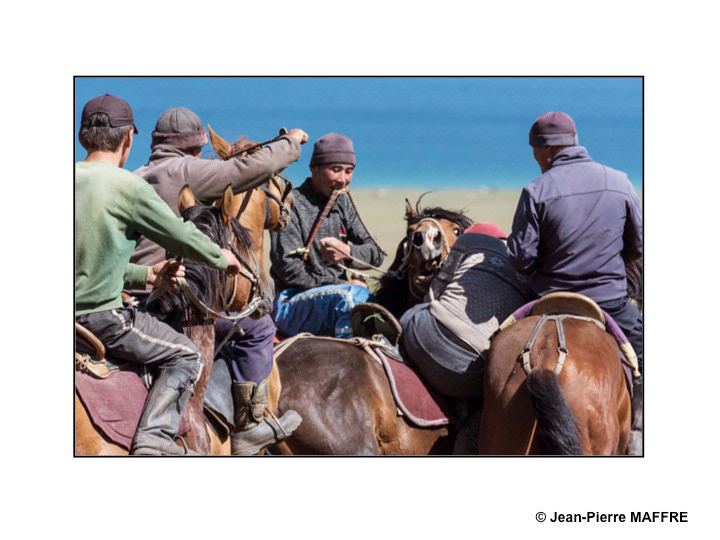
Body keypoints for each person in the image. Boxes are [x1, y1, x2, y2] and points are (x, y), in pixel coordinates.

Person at [129, 106, 307, 455]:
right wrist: (291, 143)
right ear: (197, 148)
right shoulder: (185, 170)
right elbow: (245, 171)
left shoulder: (137, 175)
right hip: (163, 301)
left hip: (124, 296)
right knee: (257, 326)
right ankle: (250, 424)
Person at [75, 94, 244, 455]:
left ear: (81, 137)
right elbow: (180, 236)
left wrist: (146, 276)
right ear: (128, 140)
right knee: (186, 356)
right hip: (100, 319)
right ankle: (153, 440)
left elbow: (87, 265)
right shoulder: (128, 186)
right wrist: (221, 257)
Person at [506, 111, 643, 453]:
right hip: (609, 304)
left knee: (494, 350)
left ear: (546, 150)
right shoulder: (620, 182)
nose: (535, 159)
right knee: (644, 350)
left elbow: (520, 259)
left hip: (547, 303)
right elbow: (637, 247)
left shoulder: (535, 191)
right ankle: (639, 426)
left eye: (534, 151)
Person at [399, 223, 532, 400]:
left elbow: (433, 296)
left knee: (416, 311)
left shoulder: (469, 240)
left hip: (424, 338)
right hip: (470, 375)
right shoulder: (531, 277)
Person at [270, 133, 385, 338]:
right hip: (290, 301)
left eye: (349, 171)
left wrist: (347, 253)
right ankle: (350, 354)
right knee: (352, 298)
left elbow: (376, 254)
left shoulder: (343, 202)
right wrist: (340, 284)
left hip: (335, 297)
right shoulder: (290, 205)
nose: (343, 179)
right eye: (336, 170)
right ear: (314, 168)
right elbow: (288, 269)